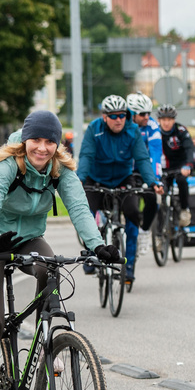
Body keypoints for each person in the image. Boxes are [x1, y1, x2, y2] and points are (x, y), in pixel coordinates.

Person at [0, 110, 123, 390]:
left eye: (49, 141)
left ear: (57, 143)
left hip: (28, 238)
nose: (42, 147)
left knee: (50, 268)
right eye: (36, 140)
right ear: (25, 140)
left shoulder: (59, 170)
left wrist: (98, 246)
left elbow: (80, 209)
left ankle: (46, 344)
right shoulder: (9, 165)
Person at [78, 94, 163, 281]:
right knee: (86, 213)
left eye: (122, 115)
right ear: (104, 117)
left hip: (123, 178)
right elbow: (86, 156)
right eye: (114, 116)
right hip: (96, 178)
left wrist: (153, 181)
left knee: (133, 214)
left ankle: (129, 264)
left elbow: (141, 158)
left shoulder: (132, 131)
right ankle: (91, 253)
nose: (119, 120)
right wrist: (80, 179)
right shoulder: (94, 129)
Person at [127, 91, 162, 240]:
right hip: (126, 169)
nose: (147, 117)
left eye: (148, 113)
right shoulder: (123, 124)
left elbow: (155, 153)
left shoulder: (152, 126)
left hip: (144, 169)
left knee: (151, 199)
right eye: (142, 114)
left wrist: (155, 179)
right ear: (132, 114)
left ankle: (145, 231)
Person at [156, 104, 195, 227]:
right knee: (160, 192)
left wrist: (188, 165)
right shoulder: (155, 132)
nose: (166, 123)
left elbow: (190, 149)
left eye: (169, 119)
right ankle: (159, 231)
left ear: (174, 120)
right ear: (159, 120)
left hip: (180, 166)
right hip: (163, 168)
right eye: (164, 120)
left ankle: (184, 209)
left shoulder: (181, 131)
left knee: (182, 181)